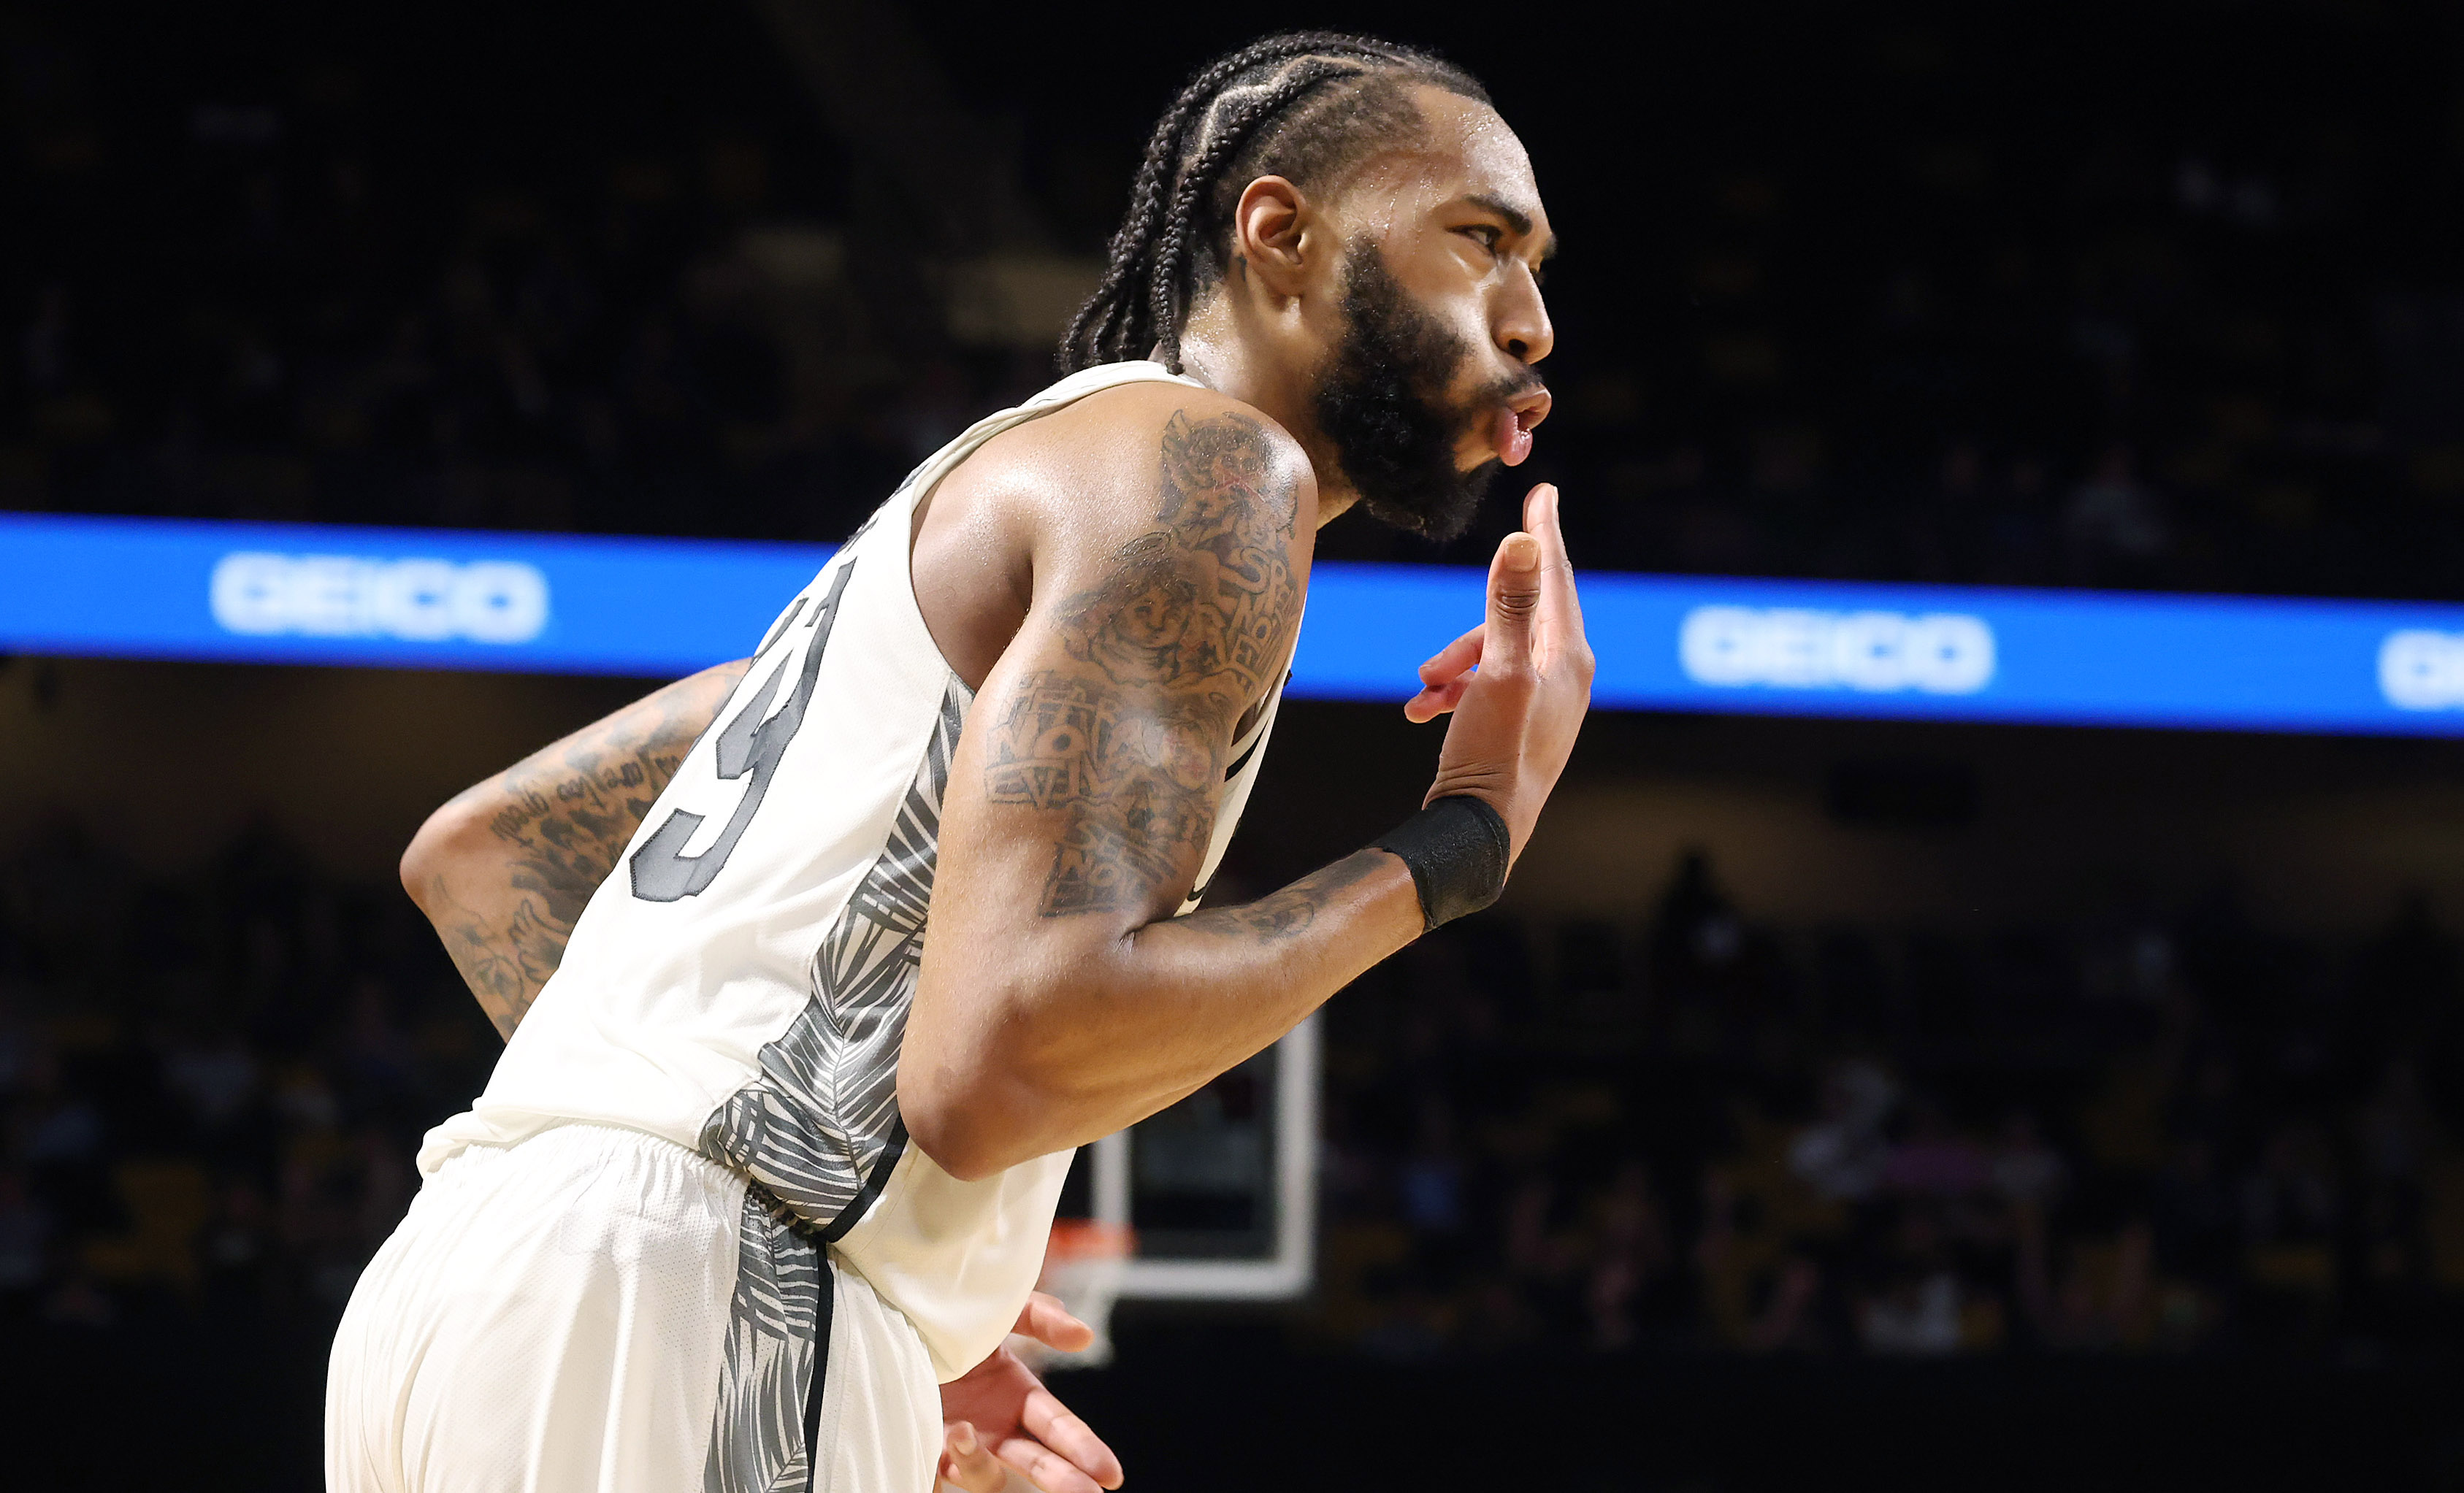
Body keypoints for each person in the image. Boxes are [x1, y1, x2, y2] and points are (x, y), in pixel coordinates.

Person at [327, 30, 1590, 1493]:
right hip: (682, 1298)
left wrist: (795, 1201)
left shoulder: (951, 541)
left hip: (460, 1289)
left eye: (1536, 264)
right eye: (1480, 240)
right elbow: (1002, 1063)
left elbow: (488, 853)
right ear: (1278, 233)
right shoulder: (1215, 472)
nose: (1531, 322)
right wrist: (1465, 837)